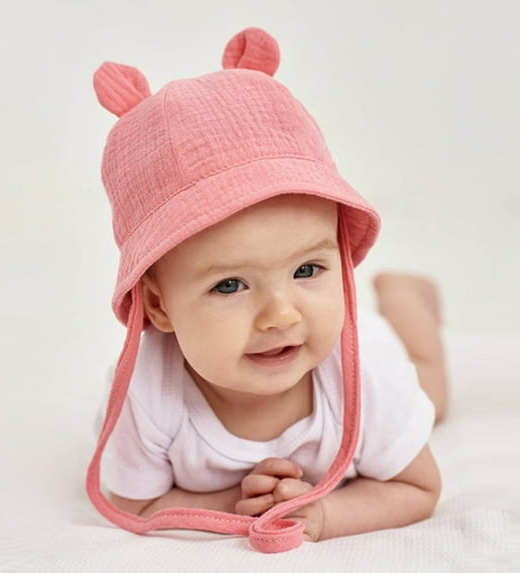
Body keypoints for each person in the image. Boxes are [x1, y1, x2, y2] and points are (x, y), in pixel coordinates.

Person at [86, 27, 447, 552]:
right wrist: (235, 502)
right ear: (159, 305)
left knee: (433, 389)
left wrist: (325, 513)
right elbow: (134, 504)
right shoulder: (145, 394)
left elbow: (418, 487)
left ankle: (405, 300)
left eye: (308, 270)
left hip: (370, 356)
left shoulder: (367, 372)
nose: (281, 315)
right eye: (230, 285)